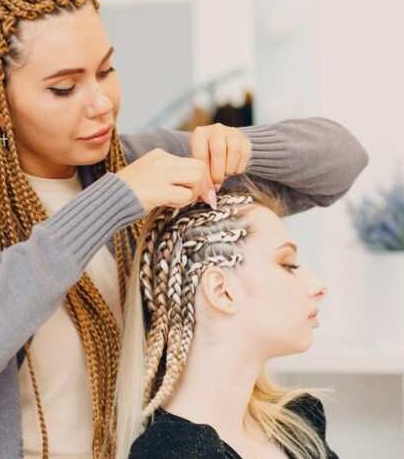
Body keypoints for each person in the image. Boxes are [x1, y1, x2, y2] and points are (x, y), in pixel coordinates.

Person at [0, 0, 367, 459]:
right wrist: (113, 203)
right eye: (63, 88)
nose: (100, 103)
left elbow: (341, 162)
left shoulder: (140, 161)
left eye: (106, 70)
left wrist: (243, 146)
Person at [117, 185, 338, 459]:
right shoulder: (172, 453)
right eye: (287, 264)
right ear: (222, 291)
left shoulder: (297, 425)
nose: (318, 287)